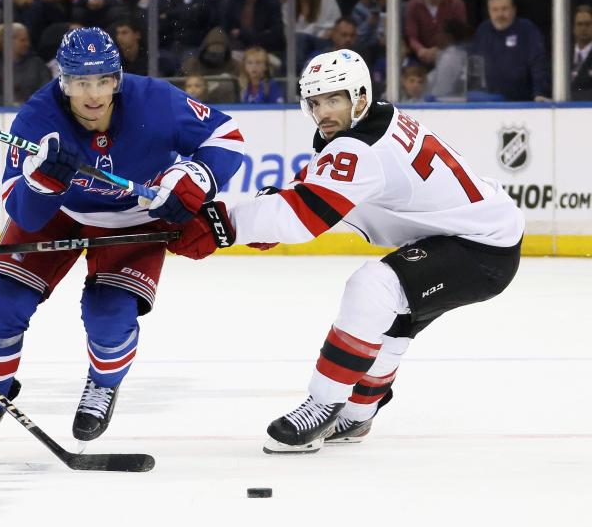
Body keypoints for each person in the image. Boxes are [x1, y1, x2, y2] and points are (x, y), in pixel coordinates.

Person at [168, 49, 523, 454]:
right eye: (315, 102)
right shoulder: (369, 120)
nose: (323, 112)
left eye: (333, 99)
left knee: (374, 289)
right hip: (475, 234)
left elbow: (305, 216)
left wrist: (223, 226)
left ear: (358, 97)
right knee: (394, 320)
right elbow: (315, 184)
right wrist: (271, 211)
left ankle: (323, 404)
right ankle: (356, 416)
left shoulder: (359, 147)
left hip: (481, 250)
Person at [0, 27, 245, 463]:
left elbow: (227, 136)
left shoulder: (156, 101)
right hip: (59, 212)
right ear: (63, 81)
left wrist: (194, 177)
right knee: (2, 306)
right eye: (81, 82)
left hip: (133, 219)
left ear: (117, 78)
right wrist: (41, 183)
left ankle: (103, 383)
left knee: (109, 318)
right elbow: (22, 212)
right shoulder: (37, 118)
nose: (93, 94)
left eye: (102, 81)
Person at [469, 0, 550, 102]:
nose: (500, 14)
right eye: (495, 10)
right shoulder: (483, 31)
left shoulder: (527, 29)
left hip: (522, 103)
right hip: (488, 103)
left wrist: (539, 92)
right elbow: (474, 66)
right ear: (489, 11)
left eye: (504, 9)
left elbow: (538, 65)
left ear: (514, 9)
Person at [405, 0, 467, 67]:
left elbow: (459, 35)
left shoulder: (456, 4)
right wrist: (421, 50)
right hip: (420, 57)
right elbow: (411, 36)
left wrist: (439, 50)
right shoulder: (412, 5)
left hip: (449, 56)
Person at [0, 22, 51, 104]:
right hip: (2, 112)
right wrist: (9, 104)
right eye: (23, 40)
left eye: (27, 40)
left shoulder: (38, 64)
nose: (27, 44)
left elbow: (46, 90)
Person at [570, 4, 592, 101]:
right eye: (579, 24)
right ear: (573, 27)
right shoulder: (562, 55)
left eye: (587, 24)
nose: (583, 28)